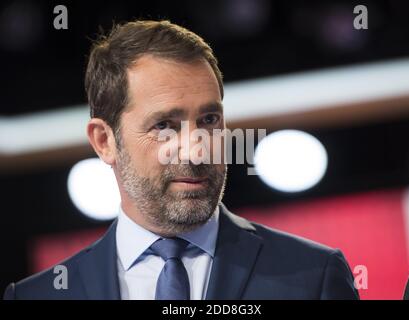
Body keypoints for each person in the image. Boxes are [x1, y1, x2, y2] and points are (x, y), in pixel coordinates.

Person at [3, 20, 358, 300]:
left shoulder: (314, 275)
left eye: (209, 120)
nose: (197, 150)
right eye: (164, 126)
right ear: (104, 141)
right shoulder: (39, 295)